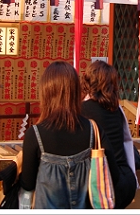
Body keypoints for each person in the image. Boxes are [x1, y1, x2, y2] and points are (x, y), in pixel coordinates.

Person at [19, 61, 120, 209]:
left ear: (46, 92)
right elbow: (113, 176)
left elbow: (27, 184)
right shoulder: (93, 129)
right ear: (75, 92)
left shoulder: (35, 134)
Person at [80, 60, 137, 209]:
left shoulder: (82, 110)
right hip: (125, 179)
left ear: (88, 81)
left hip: (102, 183)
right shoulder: (116, 110)